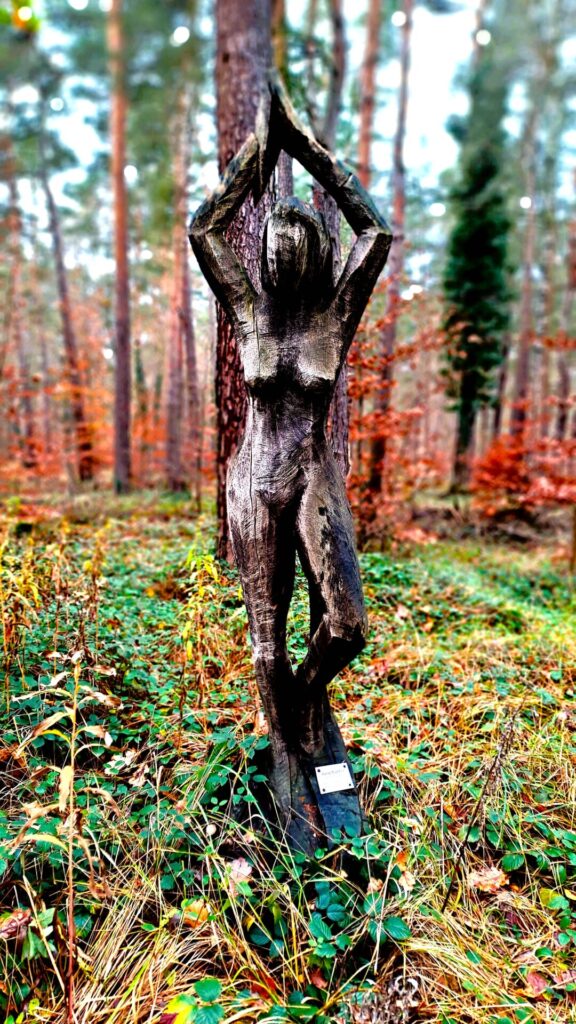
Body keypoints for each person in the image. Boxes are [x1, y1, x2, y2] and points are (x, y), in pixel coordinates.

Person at [189, 78, 391, 850]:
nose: (278, 248)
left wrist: (303, 144)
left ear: (311, 251)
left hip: (313, 475)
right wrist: (254, 153)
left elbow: (375, 232)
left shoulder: (333, 313)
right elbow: (204, 231)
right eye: (270, 242)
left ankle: (306, 708)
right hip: (252, 481)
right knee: (265, 641)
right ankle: (287, 751)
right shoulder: (246, 309)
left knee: (344, 625)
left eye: (293, 239)